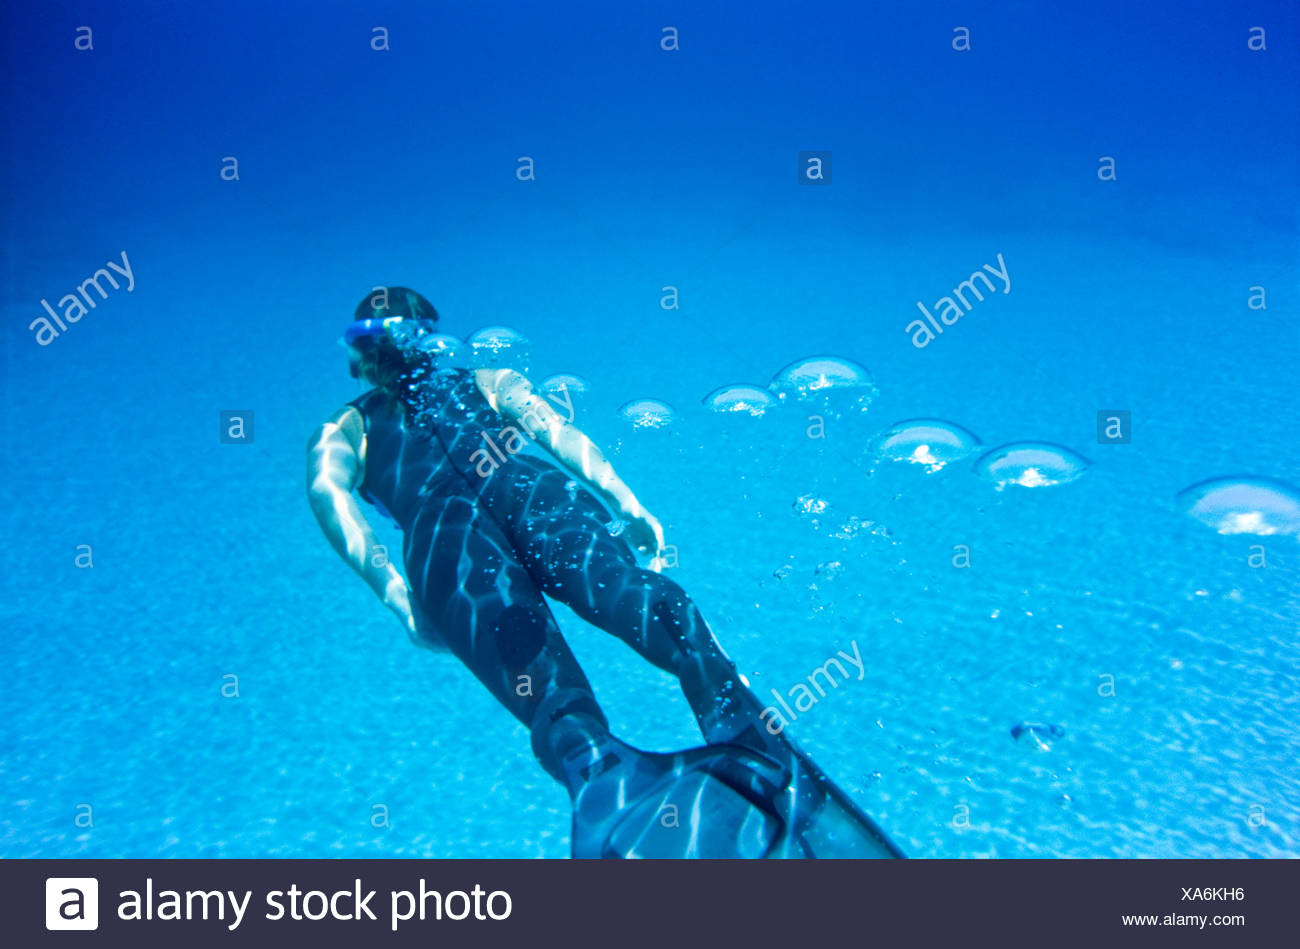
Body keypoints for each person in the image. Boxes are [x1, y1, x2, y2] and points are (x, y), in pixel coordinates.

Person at [306, 286, 905, 859]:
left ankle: (601, 777)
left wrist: (399, 598)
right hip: (527, 490)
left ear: (359, 358)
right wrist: (622, 498)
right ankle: (739, 719)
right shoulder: (482, 381)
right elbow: (553, 430)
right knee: (640, 600)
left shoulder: (346, 428)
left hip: (446, 542)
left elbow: (330, 499)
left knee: (548, 690)